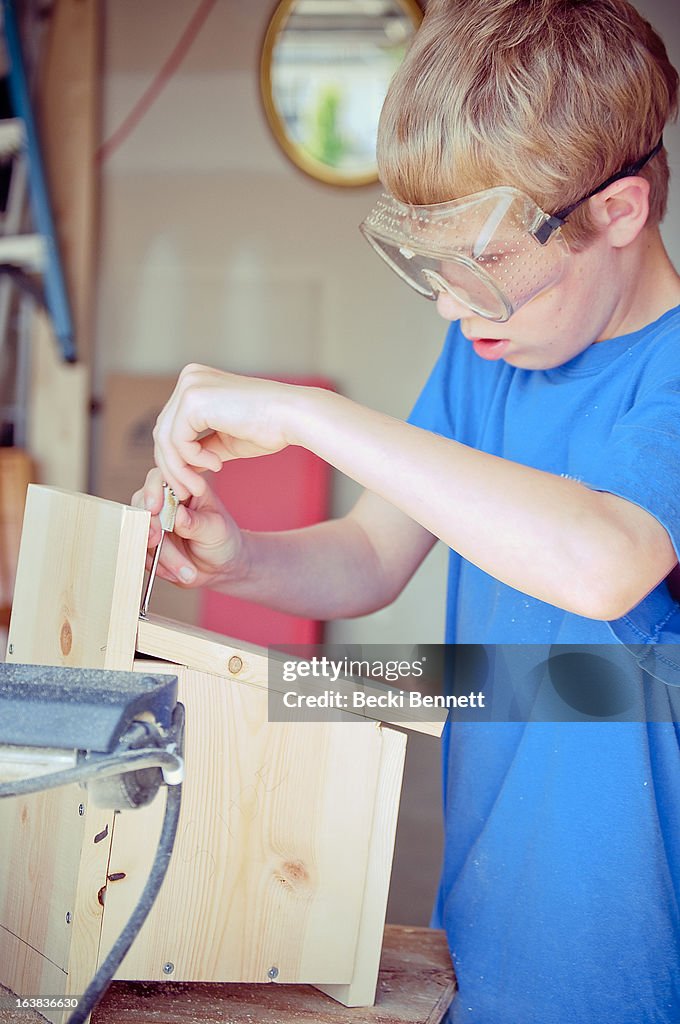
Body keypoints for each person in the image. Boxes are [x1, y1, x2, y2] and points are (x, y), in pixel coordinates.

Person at [133, 1, 680, 1020]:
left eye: (484, 265)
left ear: (617, 212)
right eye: (429, 264)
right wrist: (238, 556)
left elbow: (604, 559)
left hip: (632, 965)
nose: (447, 303)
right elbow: (371, 555)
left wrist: (307, 414)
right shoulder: (489, 358)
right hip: (483, 939)